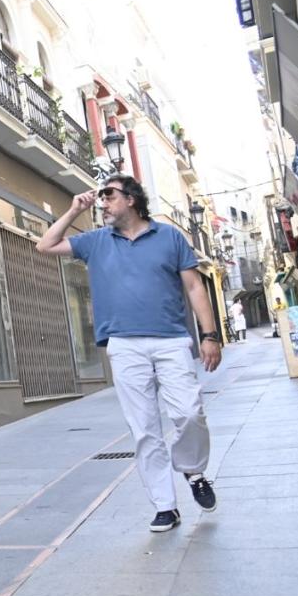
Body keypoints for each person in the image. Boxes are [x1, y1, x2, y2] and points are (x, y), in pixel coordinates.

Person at [37, 176, 221, 533]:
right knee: (145, 429)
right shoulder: (95, 241)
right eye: (101, 196)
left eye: (109, 195)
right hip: (123, 344)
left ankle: (193, 471)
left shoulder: (169, 237)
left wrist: (210, 335)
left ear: (133, 200)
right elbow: (46, 246)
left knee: (189, 412)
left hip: (170, 340)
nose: (102, 201)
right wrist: (75, 209)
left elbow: (195, 285)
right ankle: (165, 506)